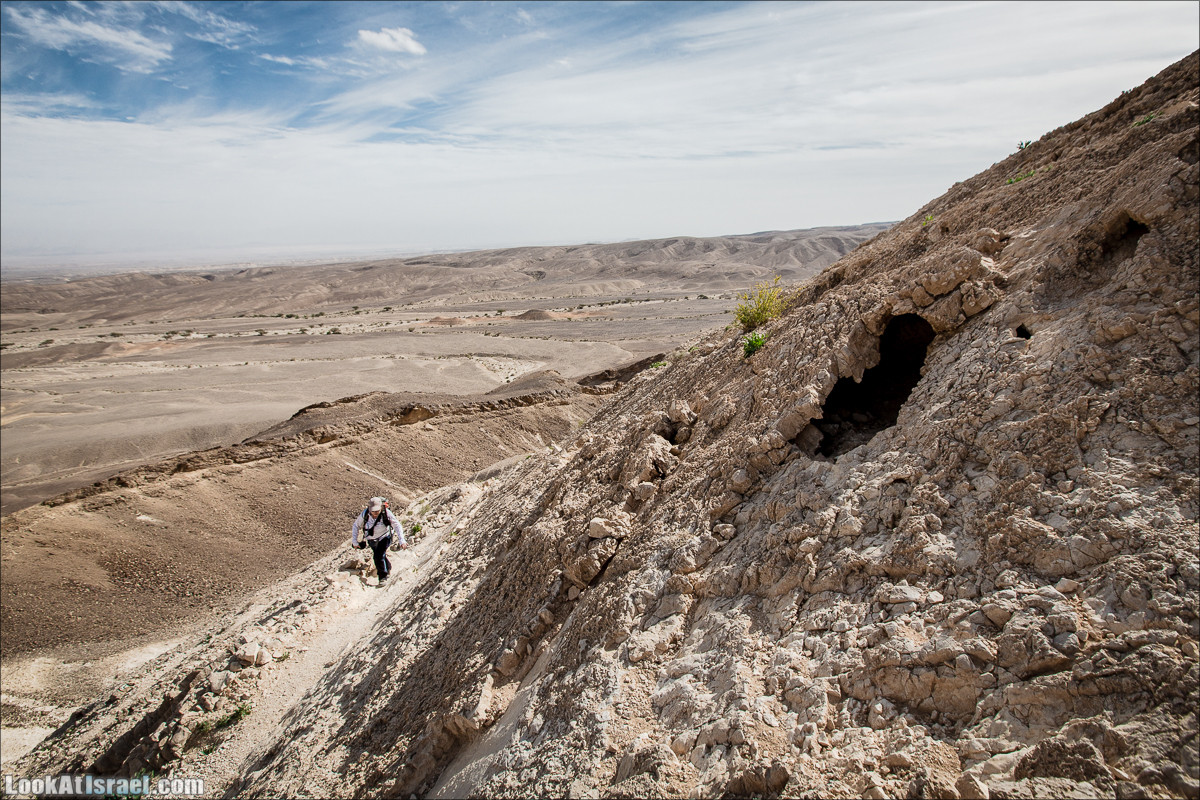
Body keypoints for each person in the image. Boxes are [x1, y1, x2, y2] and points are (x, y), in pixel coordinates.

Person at [351, 497, 407, 585]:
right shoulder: (364, 514)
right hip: (371, 539)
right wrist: (354, 541)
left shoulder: (386, 513)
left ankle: (382, 577)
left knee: (378, 555)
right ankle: (387, 567)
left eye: (377, 511)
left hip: (385, 536)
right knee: (380, 554)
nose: (375, 513)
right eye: (373, 511)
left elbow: (397, 525)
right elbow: (356, 526)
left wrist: (402, 540)